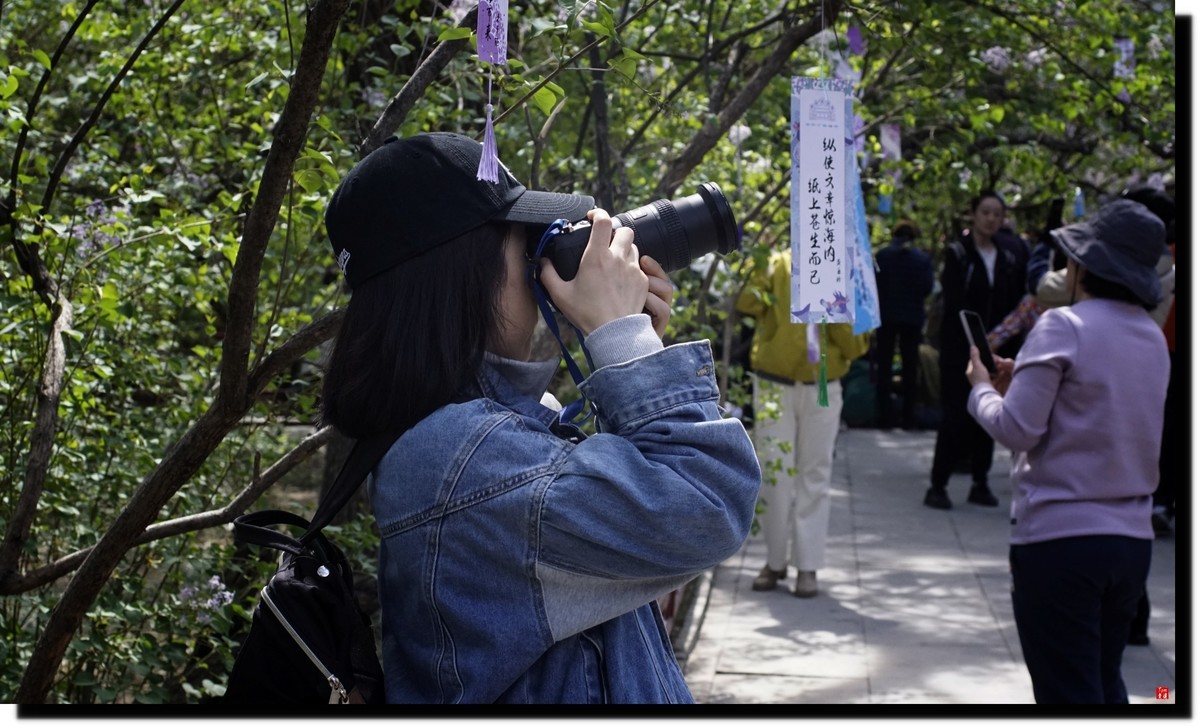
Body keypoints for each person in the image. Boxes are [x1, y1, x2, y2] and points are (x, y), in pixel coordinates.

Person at [320, 132, 760, 703]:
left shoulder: (456, 433)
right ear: (466, 273)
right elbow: (710, 504)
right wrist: (622, 341)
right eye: (525, 245)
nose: (539, 266)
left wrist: (629, 354)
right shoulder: (462, 457)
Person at [964, 199, 1169, 703]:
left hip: (1060, 542)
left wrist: (981, 389)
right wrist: (1025, 378)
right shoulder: (1152, 337)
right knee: (1103, 682)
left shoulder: (1063, 326)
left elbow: (1017, 430)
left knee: (1067, 694)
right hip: (1130, 545)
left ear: (1082, 266)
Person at [736, 249, 870, 597]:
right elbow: (745, 302)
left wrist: (833, 304)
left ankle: (807, 566)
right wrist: (759, 259)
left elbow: (856, 344)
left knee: (815, 472)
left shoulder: (846, 268)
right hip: (773, 380)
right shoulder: (777, 261)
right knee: (774, 471)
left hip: (823, 382)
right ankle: (775, 560)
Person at [924, 191, 1028, 510]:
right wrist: (969, 347)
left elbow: (1013, 305)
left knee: (989, 415)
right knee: (955, 415)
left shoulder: (1008, 257)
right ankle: (938, 484)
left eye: (997, 213)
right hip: (959, 349)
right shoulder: (959, 253)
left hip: (995, 350)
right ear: (973, 214)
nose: (991, 219)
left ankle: (980, 483)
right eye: (985, 212)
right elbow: (954, 304)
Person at [872, 219, 934, 429]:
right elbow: (927, 288)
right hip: (912, 318)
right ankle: (909, 418)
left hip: (886, 317)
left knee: (884, 366)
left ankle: (885, 418)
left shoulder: (882, 256)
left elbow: (874, 286)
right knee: (910, 367)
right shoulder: (922, 259)